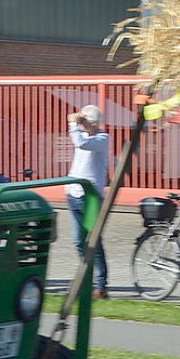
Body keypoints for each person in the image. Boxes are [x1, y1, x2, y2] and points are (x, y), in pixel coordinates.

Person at [68, 104, 111, 299]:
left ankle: (100, 284)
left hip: (91, 196)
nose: (82, 125)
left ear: (93, 123)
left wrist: (73, 123)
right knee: (78, 240)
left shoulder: (102, 138)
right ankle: (86, 278)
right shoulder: (82, 135)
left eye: (85, 122)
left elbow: (81, 144)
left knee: (93, 240)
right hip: (74, 193)